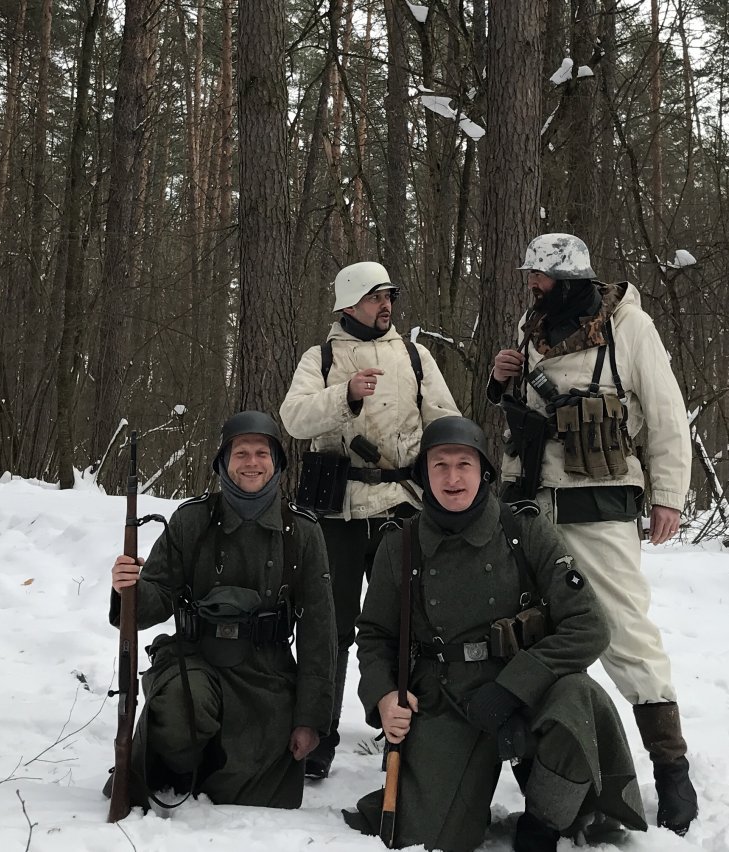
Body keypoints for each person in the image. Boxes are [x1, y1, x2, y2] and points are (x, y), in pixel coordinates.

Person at [343, 416, 646, 852]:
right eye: (440, 465)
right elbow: (375, 635)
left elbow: (589, 625)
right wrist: (384, 695)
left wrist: (513, 687)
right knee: (436, 838)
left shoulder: (525, 530)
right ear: (424, 473)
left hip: (527, 689)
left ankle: (544, 822)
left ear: (483, 471)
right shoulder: (400, 544)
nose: (452, 478)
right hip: (444, 697)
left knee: (577, 700)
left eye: (463, 464)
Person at [487, 233, 698, 835]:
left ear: (571, 279)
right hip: (531, 506)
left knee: (625, 631)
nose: (532, 284)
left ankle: (671, 768)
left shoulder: (628, 326)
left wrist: (668, 496)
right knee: (530, 632)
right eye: (531, 275)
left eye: (541, 276)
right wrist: (503, 378)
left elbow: (666, 412)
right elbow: (522, 414)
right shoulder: (532, 327)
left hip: (600, 504)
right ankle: (550, 770)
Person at [280, 260, 460, 779]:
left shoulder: (414, 356)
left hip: (399, 510)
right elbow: (294, 418)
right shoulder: (320, 357)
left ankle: (401, 733)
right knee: (330, 627)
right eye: (375, 297)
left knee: (403, 626)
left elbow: (444, 422)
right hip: (336, 512)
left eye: (389, 296)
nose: (386, 305)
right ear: (349, 304)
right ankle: (320, 734)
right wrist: (345, 394)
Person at [107, 410, 335, 809]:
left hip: (267, 674)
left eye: (262, 453)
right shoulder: (191, 520)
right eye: (240, 453)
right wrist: (129, 588)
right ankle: (176, 768)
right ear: (223, 463)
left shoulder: (303, 531)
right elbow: (154, 598)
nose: (251, 463)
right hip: (197, 659)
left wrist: (310, 719)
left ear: (277, 462)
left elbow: (320, 631)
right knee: (180, 704)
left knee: (254, 789)